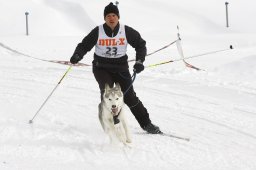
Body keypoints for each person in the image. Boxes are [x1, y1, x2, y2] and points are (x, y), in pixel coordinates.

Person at [70, 2, 162, 134]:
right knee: (108, 93)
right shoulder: (98, 31)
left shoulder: (126, 31)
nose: (111, 18)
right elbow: (84, 45)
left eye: (114, 15)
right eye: (108, 16)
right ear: (104, 18)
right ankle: (111, 121)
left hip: (121, 68)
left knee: (129, 97)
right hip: (101, 68)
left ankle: (147, 124)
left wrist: (140, 61)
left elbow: (140, 45)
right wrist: (78, 54)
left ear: (118, 17)